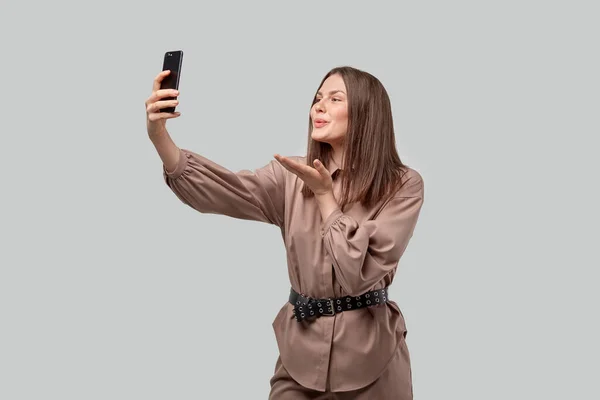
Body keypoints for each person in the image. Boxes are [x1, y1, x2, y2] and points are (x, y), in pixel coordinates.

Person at [145, 65, 425, 399]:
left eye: (335, 98)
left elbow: (357, 274)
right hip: (299, 360)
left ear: (367, 113)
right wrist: (159, 136)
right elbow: (222, 190)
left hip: (372, 364)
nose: (318, 107)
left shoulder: (402, 185)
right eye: (318, 98)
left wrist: (325, 197)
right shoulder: (290, 177)